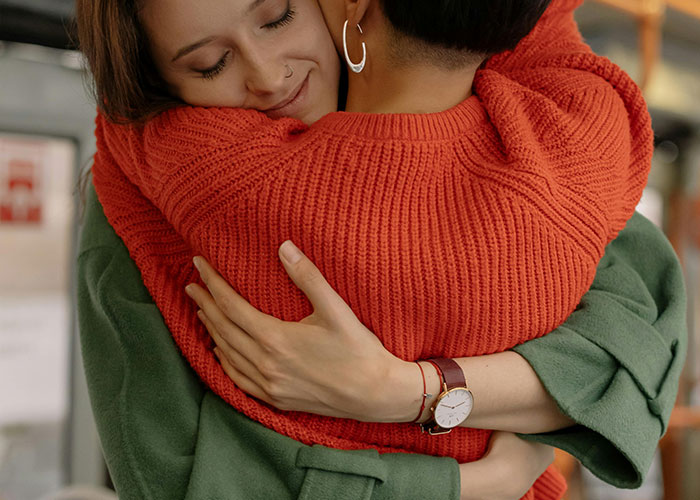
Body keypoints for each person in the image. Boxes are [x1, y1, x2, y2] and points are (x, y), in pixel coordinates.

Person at [75, 0, 685, 498]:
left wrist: (404, 390)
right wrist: (475, 482)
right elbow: (171, 476)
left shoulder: (487, 116)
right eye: (210, 64)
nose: (266, 74)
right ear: (153, 83)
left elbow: (639, 339)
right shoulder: (140, 206)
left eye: (278, 18)